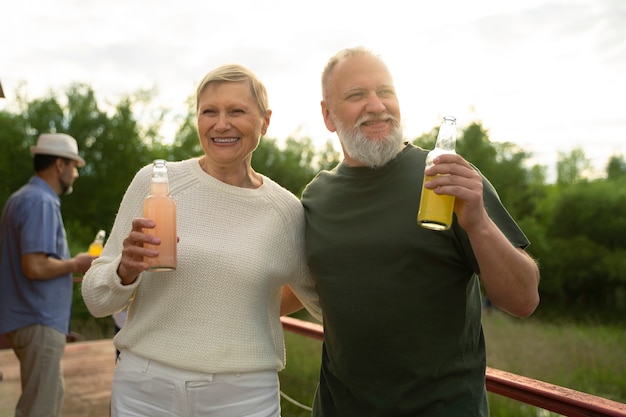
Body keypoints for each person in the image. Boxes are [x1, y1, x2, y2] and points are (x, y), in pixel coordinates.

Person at [300, 46, 541, 416]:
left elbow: (524, 299)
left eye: (385, 92)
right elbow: (287, 284)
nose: (376, 105)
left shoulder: (448, 177)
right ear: (327, 115)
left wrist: (477, 223)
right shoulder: (316, 197)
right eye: (356, 95)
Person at [81, 64, 320, 417]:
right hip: (145, 390)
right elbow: (96, 299)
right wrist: (123, 271)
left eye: (236, 111)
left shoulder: (287, 212)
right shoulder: (156, 182)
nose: (220, 124)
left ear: (265, 121)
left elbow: (321, 300)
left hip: (244, 397)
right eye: (209, 111)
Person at [0, 133, 95, 417]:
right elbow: (35, 266)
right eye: (74, 166)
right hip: (37, 320)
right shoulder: (41, 201)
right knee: (40, 409)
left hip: (26, 319)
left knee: (44, 399)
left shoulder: (23, 198)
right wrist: (76, 264)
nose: (76, 174)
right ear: (59, 165)